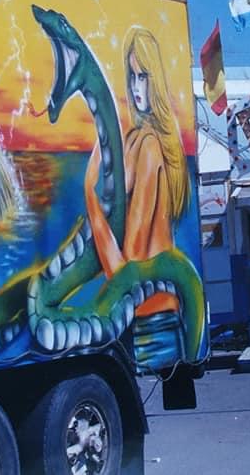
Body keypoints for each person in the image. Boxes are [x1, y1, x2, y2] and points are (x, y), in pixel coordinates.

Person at [84, 27, 190, 365]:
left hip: (153, 319)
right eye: (131, 76)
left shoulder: (148, 145)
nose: (135, 87)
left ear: (155, 80)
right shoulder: (138, 140)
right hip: (159, 311)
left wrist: (90, 196)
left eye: (143, 76)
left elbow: (128, 263)